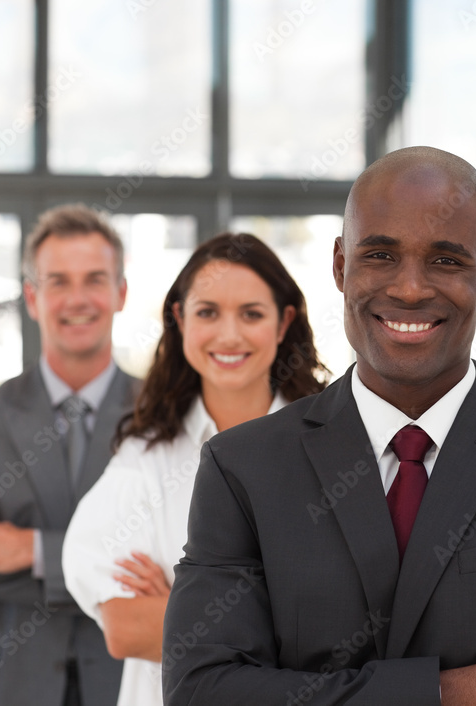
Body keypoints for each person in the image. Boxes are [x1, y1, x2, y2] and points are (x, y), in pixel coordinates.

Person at [161, 146, 476, 706]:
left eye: (446, 261)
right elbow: (202, 692)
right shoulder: (243, 469)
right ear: (339, 265)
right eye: (380, 255)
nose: (409, 289)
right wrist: (445, 693)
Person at [62, 233, 328, 706]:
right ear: (180, 319)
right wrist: (286, 624)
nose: (229, 335)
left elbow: (356, 626)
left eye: (251, 313)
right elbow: (125, 630)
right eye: (207, 312)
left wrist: (186, 611)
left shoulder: (335, 443)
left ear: (284, 321)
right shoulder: (145, 458)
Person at [0, 204, 138, 706]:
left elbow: (174, 564)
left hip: (129, 682)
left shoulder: (166, 413)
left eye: (94, 279)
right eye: (58, 281)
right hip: (4, 685)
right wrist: (107, 572)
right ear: (32, 296)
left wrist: (28, 551)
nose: (77, 299)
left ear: (120, 293)